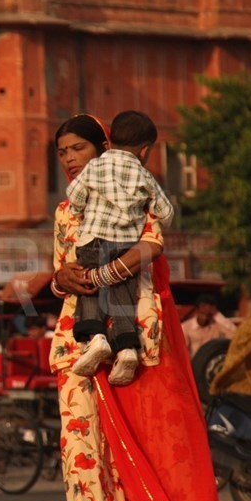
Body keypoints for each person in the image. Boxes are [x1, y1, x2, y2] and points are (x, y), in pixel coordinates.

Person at [49, 113, 225, 501]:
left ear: (103, 148)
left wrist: (104, 275)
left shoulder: (133, 192)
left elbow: (152, 244)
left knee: (133, 454)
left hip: (130, 340)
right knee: (80, 454)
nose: (69, 159)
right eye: (62, 152)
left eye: (78, 150)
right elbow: (61, 268)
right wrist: (62, 278)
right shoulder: (67, 209)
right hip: (76, 342)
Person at [66, 110, 175, 386]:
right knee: (122, 296)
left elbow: (74, 195)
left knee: (89, 290)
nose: (68, 157)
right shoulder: (144, 174)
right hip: (125, 246)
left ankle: (96, 337)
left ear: (108, 143)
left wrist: (81, 208)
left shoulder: (95, 167)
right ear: (145, 149)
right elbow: (165, 211)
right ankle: (127, 347)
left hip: (92, 240)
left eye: (77, 148)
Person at [182, 293, 237, 359]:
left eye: (208, 315)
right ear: (197, 311)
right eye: (203, 313)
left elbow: (235, 336)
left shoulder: (217, 326)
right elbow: (182, 352)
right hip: (194, 365)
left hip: (212, 365)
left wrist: (217, 314)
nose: (205, 317)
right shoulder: (186, 328)